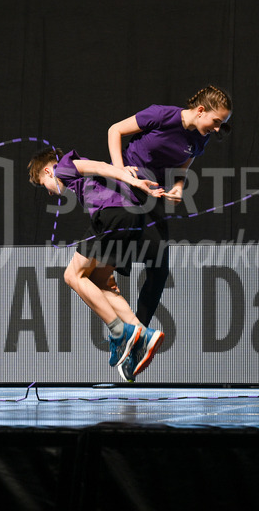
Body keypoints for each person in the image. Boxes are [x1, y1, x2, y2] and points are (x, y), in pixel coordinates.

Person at [28, 147, 167, 382]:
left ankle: (119, 331)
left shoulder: (63, 166)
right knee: (101, 282)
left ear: (48, 171)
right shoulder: (81, 182)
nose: (49, 193)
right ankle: (143, 333)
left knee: (72, 276)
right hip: (132, 219)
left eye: (44, 185)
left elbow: (103, 166)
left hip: (114, 214)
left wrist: (133, 180)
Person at [106, 84, 232, 327]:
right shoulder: (162, 115)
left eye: (222, 124)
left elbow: (184, 166)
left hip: (153, 194)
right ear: (200, 110)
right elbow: (115, 130)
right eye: (216, 121)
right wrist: (121, 171)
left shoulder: (200, 139)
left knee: (159, 268)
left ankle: (139, 333)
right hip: (128, 187)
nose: (217, 129)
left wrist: (178, 185)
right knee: (116, 263)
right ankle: (118, 323)